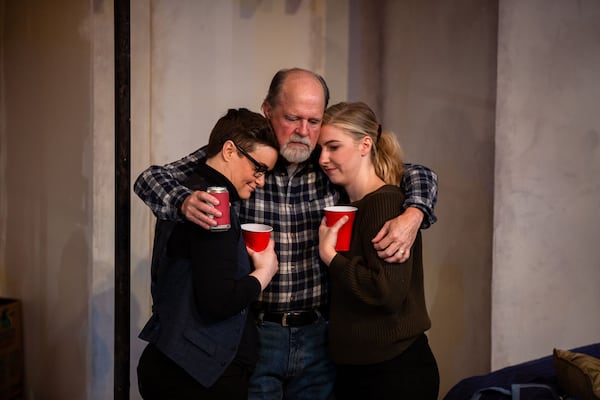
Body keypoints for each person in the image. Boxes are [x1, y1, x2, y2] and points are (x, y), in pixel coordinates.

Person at [134, 68, 439, 399]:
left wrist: (414, 212)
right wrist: (184, 200)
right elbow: (150, 178)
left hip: (321, 333)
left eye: (314, 121)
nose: (303, 132)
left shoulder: (328, 162)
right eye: (293, 118)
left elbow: (414, 172)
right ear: (268, 111)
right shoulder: (247, 157)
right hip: (258, 329)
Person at [136, 108, 280, 399]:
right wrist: (264, 272)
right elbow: (219, 300)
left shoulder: (190, 190)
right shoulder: (212, 205)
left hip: (171, 359)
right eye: (258, 168)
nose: (261, 180)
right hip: (197, 377)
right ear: (229, 150)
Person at [318, 101, 439, 399]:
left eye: (333, 147)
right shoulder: (352, 203)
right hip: (356, 370)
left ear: (365, 145)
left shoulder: (384, 202)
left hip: (394, 372)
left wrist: (330, 257)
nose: (323, 158)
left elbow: (385, 292)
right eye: (320, 149)